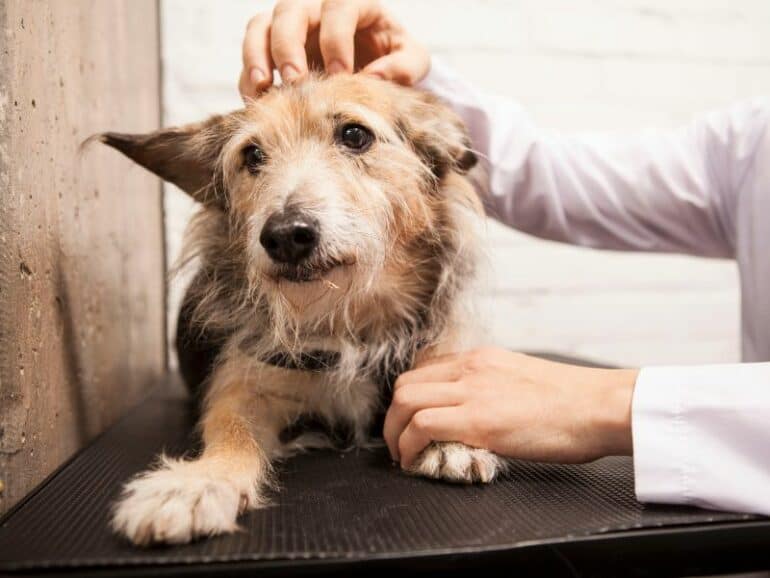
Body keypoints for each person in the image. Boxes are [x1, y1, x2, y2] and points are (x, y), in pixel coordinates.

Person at [239, 0, 770, 516]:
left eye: (353, 137)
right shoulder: (751, 142)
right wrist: (399, 79)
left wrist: (610, 404)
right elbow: (547, 173)